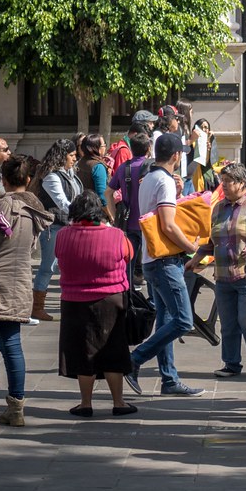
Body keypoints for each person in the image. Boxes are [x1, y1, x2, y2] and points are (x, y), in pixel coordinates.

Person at [125, 132, 204, 398]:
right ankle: (135, 360)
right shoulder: (164, 181)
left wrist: (177, 193)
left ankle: (169, 379)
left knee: (167, 320)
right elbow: (169, 225)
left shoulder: (149, 179)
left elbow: (158, 217)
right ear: (176, 156)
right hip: (165, 261)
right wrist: (193, 248)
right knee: (183, 320)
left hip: (151, 259)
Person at [0, 155, 53, 430]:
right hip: (19, 282)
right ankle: (16, 409)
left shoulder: (1, 207)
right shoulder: (34, 211)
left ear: (3, 179)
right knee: (12, 345)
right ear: (27, 180)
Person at [55, 190, 136, 418]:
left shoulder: (62, 235)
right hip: (110, 299)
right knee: (113, 350)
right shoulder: (117, 235)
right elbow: (129, 255)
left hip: (74, 301)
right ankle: (119, 402)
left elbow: (59, 257)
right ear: (98, 211)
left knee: (84, 351)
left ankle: (85, 403)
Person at [186, 162, 246, 379]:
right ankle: (231, 363)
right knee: (228, 324)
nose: (224, 185)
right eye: (223, 181)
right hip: (222, 276)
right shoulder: (219, 208)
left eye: (228, 181)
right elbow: (212, 240)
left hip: (245, 275)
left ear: (241, 183)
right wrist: (198, 258)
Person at [29, 138, 83, 322]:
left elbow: (75, 197)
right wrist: (81, 214)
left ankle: (71, 304)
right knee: (48, 267)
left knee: (70, 266)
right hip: (54, 226)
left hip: (70, 224)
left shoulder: (69, 173)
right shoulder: (52, 176)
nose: (75, 158)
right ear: (62, 156)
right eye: (72, 155)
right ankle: (37, 308)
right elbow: (62, 202)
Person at [105, 129, 152, 288]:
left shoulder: (123, 168)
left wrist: (112, 215)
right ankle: (153, 303)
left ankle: (126, 297)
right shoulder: (152, 167)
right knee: (150, 264)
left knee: (128, 265)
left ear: (131, 148)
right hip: (149, 223)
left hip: (128, 224)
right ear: (148, 149)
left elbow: (108, 192)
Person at [77, 134, 109, 204]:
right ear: (96, 148)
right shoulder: (98, 167)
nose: (105, 147)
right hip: (94, 209)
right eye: (103, 145)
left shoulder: (80, 162)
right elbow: (101, 195)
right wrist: (110, 214)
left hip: (81, 205)